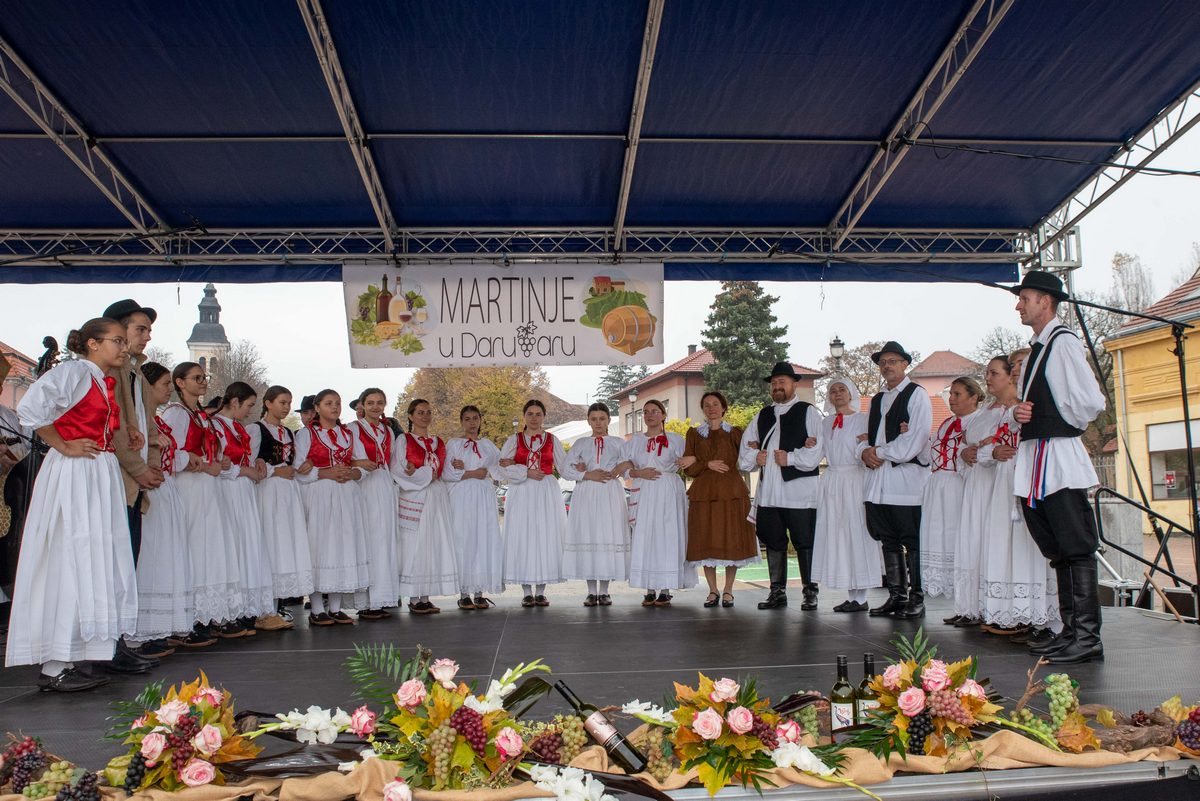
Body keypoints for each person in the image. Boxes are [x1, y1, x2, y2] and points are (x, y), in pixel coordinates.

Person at [6, 318, 137, 692]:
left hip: (97, 472)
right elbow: (30, 409)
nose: (123, 348)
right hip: (75, 472)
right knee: (70, 556)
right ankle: (54, 663)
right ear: (92, 344)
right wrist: (63, 444)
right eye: (117, 340)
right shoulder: (75, 371)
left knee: (94, 559)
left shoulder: (98, 379)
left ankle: (78, 653)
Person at [1010, 271, 1106, 663]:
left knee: (1076, 546)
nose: (1019, 305)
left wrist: (1061, 419)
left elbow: (1090, 400)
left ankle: (1087, 636)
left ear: (1045, 301)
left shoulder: (1063, 343)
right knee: (1058, 548)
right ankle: (1071, 631)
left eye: (1025, 298)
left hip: (1059, 456)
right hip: (1038, 457)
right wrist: (1023, 412)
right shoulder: (1038, 348)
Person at [978, 349, 1060, 639]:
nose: (1015, 371)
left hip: (1030, 475)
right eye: (1012, 366)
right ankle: (1014, 611)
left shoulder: (1040, 403)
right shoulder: (1008, 410)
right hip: (1005, 479)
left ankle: (1040, 616)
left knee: (1031, 545)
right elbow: (988, 448)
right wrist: (992, 451)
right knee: (1006, 545)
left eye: (1019, 365)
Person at [161, 362, 246, 639]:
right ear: (180, 383)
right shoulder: (176, 413)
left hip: (207, 487)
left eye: (204, 377)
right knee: (195, 547)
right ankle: (191, 616)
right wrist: (200, 465)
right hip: (190, 487)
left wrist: (215, 462)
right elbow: (169, 454)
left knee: (210, 549)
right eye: (196, 378)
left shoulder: (200, 415)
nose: (203, 382)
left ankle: (208, 613)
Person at [102, 299, 165, 668]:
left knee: (129, 562)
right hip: (119, 480)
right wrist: (136, 468)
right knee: (113, 564)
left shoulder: (136, 374)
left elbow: (148, 427)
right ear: (118, 331)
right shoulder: (111, 373)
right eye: (140, 329)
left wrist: (151, 466)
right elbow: (117, 428)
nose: (146, 336)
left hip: (137, 482)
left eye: (148, 330)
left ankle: (120, 640)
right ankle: (108, 645)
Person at [738, 363, 823, 610]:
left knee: (804, 541)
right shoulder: (763, 415)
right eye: (774, 383)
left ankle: (810, 592)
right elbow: (745, 450)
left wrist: (792, 458)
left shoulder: (808, 412)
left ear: (794, 384)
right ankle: (777, 592)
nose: (777, 387)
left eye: (782, 382)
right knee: (773, 541)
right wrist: (756, 458)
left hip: (799, 492)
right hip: (770, 493)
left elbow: (817, 450)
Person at [859, 341, 932, 619]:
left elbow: (914, 440)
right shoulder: (878, 399)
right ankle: (896, 595)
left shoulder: (917, 395)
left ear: (905, 364)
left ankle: (917, 596)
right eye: (883, 362)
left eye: (893, 361)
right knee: (887, 539)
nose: (887, 366)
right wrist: (866, 452)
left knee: (912, 540)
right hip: (879, 482)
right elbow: (869, 437)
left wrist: (879, 452)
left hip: (906, 482)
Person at [130, 361, 199, 651]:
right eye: (164, 384)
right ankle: (141, 630)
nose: (168, 389)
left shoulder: (155, 420)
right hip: (150, 489)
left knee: (166, 557)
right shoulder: (141, 420)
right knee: (150, 558)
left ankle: (160, 626)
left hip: (165, 488)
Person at [293, 389, 369, 625]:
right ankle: (317, 609)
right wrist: (325, 472)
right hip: (320, 494)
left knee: (342, 546)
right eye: (328, 403)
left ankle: (335, 607)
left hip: (346, 495)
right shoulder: (307, 434)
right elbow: (299, 469)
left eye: (337, 403)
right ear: (317, 407)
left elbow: (362, 463)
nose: (334, 407)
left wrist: (356, 473)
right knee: (320, 547)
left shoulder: (347, 434)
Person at [213, 382, 284, 632]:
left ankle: (245, 609)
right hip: (228, 490)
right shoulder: (216, 425)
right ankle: (227, 613)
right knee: (234, 549)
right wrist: (243, 470)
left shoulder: (237, 427)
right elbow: (217, 464)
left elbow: (247, 456)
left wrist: (259, 461)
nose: (250, 411)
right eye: (249, 405)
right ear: (234, 402)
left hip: (243, 491)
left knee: (247, 548)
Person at [950, 358, 1013, 627]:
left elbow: (1004, 447)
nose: (988, 377)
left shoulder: (1009, 411)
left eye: (994, 373)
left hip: (995, 485)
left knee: (993, 545)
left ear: (1010, 377)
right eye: (986, 373)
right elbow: (964, 447)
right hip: (975, 483)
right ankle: (971, 606)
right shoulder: (986, 412)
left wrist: (985, 450)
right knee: (972, 543)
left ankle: (999, 608)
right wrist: (966, 453)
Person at [680, 391, 757, 608]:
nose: (711, 408)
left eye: (715, 404)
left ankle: (729, 590)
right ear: (702, 409)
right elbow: (689, 469)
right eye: (707, 405)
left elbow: (744, 462)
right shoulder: (693, 434)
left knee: (732, 540)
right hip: (703, 494)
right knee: (706, 540)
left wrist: (755, 448)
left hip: (731, 493)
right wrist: (707, 464)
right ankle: (713, 590)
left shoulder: (735, 433)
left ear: (723, 407)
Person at [811, 377, 881, 612]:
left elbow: (871, 445)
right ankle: (852, 594)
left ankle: (861, 595)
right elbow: (819, 449)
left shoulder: (862, 420)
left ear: (851, 393)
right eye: (833, 391)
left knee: (857, 531)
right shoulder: (825, 423)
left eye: (842, 390)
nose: (837, 394)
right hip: (833, 482)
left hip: (854, 480)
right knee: (840, 534)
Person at [247, 386, 315, 619]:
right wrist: (275, 471)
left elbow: (293, 463)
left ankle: (276, 604)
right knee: (270, 542)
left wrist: (301, 467)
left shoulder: (288, 433)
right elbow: (252, 464)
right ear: (268, 403)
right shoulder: (256, 430)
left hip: (287, 493)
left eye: (288, 403)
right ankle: (265, 608)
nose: (286, 407)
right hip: (268, 491)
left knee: (285, 544)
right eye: (282, 402)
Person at [620, 399, 696, 606]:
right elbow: (623, 465)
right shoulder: (635, 441)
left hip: (669, 490)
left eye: (655, 411)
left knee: (668, 535)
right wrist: (637, 472)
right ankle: (649, 587)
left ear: (663, 415)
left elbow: (690, 461)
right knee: (646, 535)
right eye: (646, 412)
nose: (650, 415)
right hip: (644, 489)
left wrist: (689, 461)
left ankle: (665, 587)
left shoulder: (676, 439)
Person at [391, 399, 460, 613]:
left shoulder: (438, 442)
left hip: (436, 496)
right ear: (411, 416)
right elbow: (397, 467)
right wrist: (421, 474)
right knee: (413, 544)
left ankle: (425, 595)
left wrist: (459, 467)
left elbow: (444, 470)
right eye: (420, 412)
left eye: (428, 412)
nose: (425, 416)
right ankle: (413, 596)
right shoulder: (404, 439)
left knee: (431, 543)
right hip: (415, 496)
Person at [920, 377, 983, 601]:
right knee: (941, 537)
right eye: (951, 394)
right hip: (938, 486)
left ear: (973, 397)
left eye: (957, 394)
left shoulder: (978, 422)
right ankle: (960, 602)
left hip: (959, 485)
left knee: (960, 539)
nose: (952, 399)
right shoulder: (947, 423)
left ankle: (971, 600)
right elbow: (931, 454)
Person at [499, 400, 567, 606]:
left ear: (544, 416)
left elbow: (564, 466)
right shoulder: (514, 439)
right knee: (524, 535)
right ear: (524, 416)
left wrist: (585, 468)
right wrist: (525, 471)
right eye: (530, 414)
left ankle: (541, 590)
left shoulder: (552, 440)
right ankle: (526, 590)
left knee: (544, 536)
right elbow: (502, 467)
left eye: (538, 414)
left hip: (546, 490)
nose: (534, 418)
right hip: (522, 491)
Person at [560, 403, 629, 607]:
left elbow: (628, 466)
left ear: (609, 420)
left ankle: (605, 591)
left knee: (607, 536)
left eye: (602, 418)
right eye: (594, 419)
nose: (598, 423)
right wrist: (586, 473)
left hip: (609, 493)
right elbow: (565, 469)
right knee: (589, 535)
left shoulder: (619, 443)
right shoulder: (581, 443)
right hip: (587, 493)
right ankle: (591, 591)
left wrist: (620, 469)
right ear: (588, 421)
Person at [443, 405, 505, 609]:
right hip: (461, 497)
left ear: (480, 420)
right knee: (464, 538)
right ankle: (464, 592)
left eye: (475, 418)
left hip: (483, 497)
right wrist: (472, 473)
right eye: (467, 419)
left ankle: (479, 591)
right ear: (462, 421)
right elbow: (447, 472)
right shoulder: (454, 444)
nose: (471, 422)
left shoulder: (488, 445)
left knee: (482, 538)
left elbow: (499, 470)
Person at [348, 387, 402, 619]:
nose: (375, 407)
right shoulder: (351, 429)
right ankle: (365, 601)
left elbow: (393, 460)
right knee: (369, 540)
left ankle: (382, 597)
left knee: (385, 541)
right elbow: (342, 455)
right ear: (362, 405)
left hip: (384, 483)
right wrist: (357, 461)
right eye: (370, 403)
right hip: (364, 485)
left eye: (379, 403)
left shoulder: (388, 431)